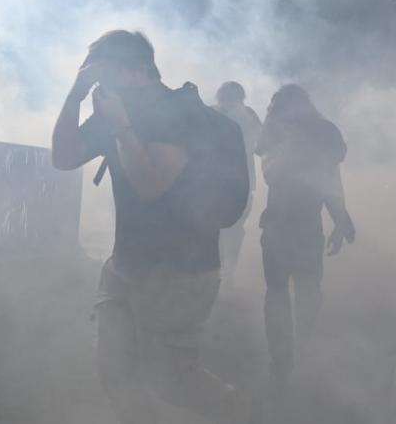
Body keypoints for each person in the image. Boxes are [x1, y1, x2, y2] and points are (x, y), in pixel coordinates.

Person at [51, 30, 257, 424]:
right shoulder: (118, 112)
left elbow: (149, 185)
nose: (97, 84)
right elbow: (63, 157)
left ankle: (241, 412)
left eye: (102, 74)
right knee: (113, 369)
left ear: (134, 71)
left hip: (182, 272)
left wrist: (123, 127)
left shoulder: (180, 114)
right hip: (126, 263)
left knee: (171, 379)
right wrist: (74, 97)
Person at [254, 84, 354, 392]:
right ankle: (281, 358)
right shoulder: (275, 130)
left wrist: (340, 220)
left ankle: (300, 347)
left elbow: (331, 179)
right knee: (279, 292)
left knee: (306, 291)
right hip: (280, 224)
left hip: (304, 223)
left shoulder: (324, 132)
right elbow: (270, 173)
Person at [213, 81, 262, 286]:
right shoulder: (212, 113)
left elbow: (263, 145)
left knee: (234, 229)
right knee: (214, 229)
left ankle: (228, 272)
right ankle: (217, 272)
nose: (228, 104)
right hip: (213, 183)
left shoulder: (249, 116)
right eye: (225, 100)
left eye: (232, 100)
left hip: (241, 183)